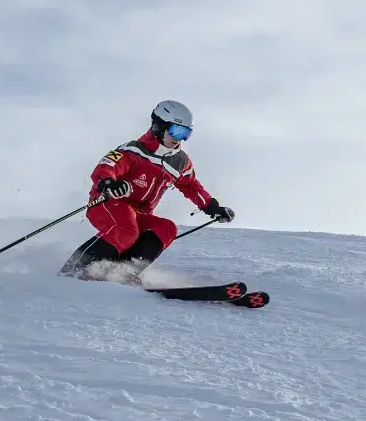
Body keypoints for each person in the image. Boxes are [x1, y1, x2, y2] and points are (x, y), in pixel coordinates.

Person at [59, 100, 235, 285]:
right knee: (127, 228)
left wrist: (212, 207)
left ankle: (120, 272)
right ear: (159, 126)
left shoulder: (180, 162)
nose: (180, 138)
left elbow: (191, 186)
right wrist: (110, 183)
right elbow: (105, 167)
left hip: (139, 213)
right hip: (107, 202)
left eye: (186, 134)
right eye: (176, 131)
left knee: (166, 228)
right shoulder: (133, 150)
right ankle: (75, 269)